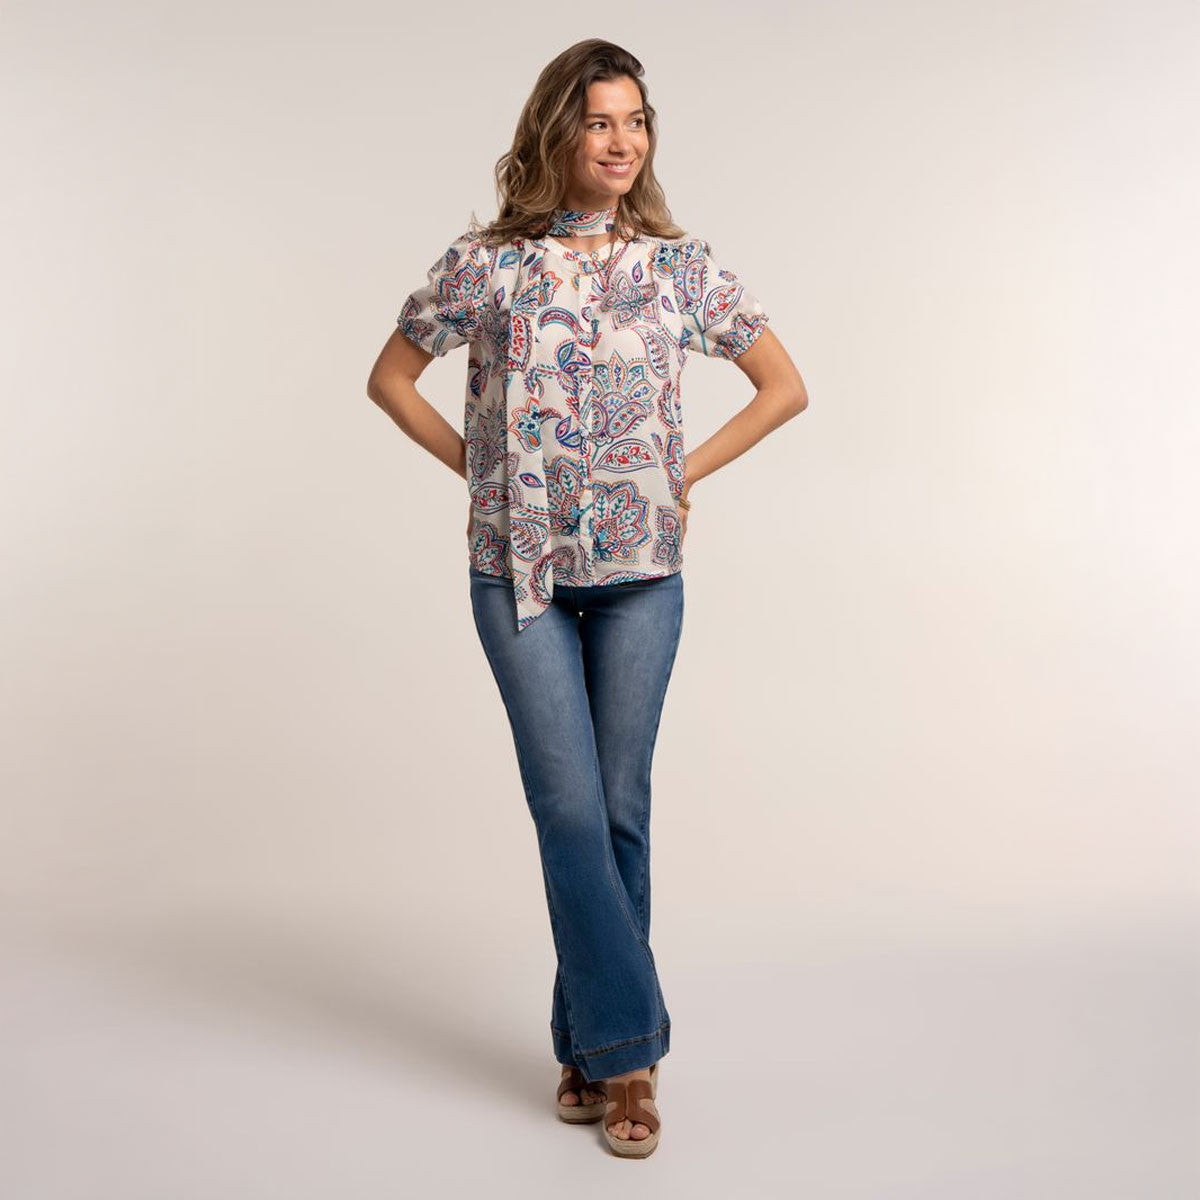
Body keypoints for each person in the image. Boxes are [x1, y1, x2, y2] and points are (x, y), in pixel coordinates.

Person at [366, 38, 807, 1159]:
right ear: (557, 132)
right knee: (568, 808)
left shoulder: (678, 267)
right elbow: (391, 379)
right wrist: (482, 472)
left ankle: (594, 1049)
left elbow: (783, 387)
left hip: (642, 578)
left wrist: (680, 474)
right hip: (516, 574)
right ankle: (634, 1054)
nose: (622, 142)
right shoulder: (487, 264)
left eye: (636, 121)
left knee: (618, 811)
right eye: (600, 121)